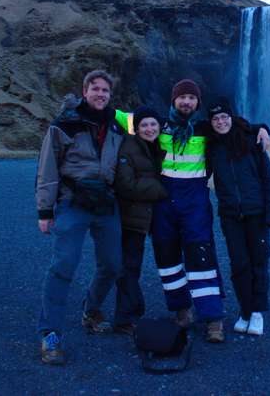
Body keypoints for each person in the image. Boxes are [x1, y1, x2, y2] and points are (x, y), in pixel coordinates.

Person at [150, 79, 270, 343]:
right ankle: (181, 310)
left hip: (195, 203)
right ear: (173, 100)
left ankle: (213, 317)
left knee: (202, 257)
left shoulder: (205, 129)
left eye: (191, 98)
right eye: (181, 97)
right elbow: (123, 120)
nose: (186, 102)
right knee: (167, 259)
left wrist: (260, 127)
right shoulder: (158, 126)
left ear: (198, 103)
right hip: (163, 203)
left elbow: (232, 126)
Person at [34, 69, 125, 365]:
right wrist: (45, 211)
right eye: (95, 89)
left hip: (106, 203)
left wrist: (257, 129)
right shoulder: (64, 124)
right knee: (63, 267)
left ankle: (91, 309)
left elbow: (155, 126)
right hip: (72, 203)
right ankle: (50, 334)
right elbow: (47, 167)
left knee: (112, 264)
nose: (101, 94)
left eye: (105, 90)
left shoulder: (117, 125)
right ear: (84, 91)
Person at [206, 97, 270, 337]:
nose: (220, 122)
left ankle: (258, 312)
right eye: (215, 118)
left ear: (231, 117)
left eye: (224, 117)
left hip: (256, 213)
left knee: (259, 263)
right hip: (230, 216)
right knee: (239, 265)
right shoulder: (211, 147)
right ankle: (245, 311)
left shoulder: (251, 142)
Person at [112, 106, 168, 336]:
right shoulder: (128, 145)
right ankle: (125, 317)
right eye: (144, 124)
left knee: (134, 264)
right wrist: (163, 189)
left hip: (151, 215)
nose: (149, 128)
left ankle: (131, 311)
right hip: (131, 216)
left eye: (153, 124)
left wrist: (259, 128)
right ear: (137, 127)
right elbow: (126, 184)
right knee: (129, 265)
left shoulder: (159, 145)